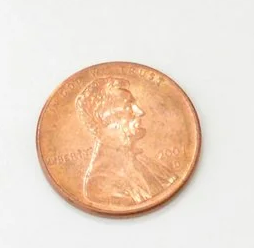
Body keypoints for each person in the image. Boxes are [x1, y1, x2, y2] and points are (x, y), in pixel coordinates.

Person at [74, 77, 177, 212]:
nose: (140, 112)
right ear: (102, 115)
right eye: (128, 105)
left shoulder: (145, 163)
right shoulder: (100, 185)